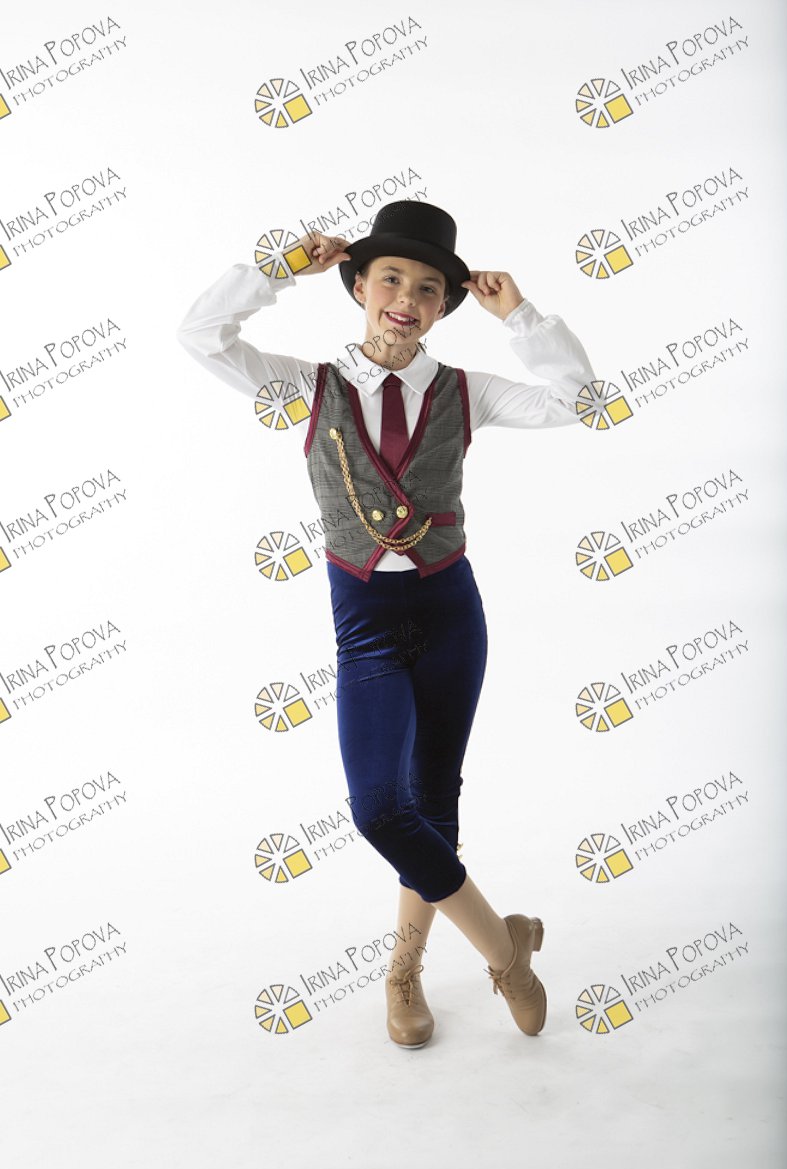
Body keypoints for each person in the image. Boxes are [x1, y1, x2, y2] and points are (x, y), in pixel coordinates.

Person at [176, 201, 598, 1049]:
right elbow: (201, 336)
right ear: (359, 286)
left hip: (451, 614)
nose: (407, 298)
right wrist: (278, 267)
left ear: (445, 306)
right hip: (364, 622)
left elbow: (579, 399)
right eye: (392, 279)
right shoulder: (308, 387)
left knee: (434, 799)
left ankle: (403, 972)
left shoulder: (465, 392)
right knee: (378, 808)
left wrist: (521, 315)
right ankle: (504, 947)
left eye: (429, 287)